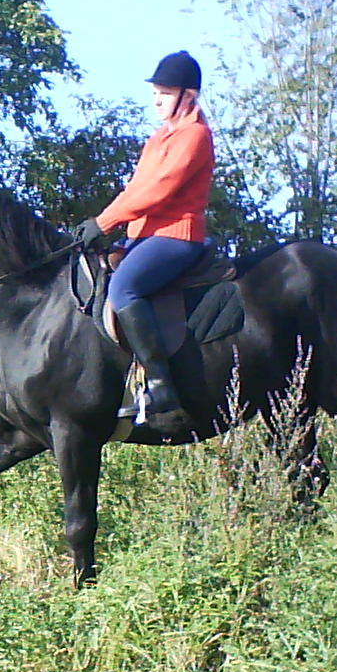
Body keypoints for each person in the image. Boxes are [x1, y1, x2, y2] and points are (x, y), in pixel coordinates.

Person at [74, 50, 214, 419]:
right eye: (155, 92)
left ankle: (160, 386)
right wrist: (102, 221)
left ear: (189, 96)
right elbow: (135, 190)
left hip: (176, 236)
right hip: (143, 235)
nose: (156, 99)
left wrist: (105, 224)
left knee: (124, 289)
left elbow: (160, 191)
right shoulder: (157, 141)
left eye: (165, 93)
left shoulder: (194, 136)